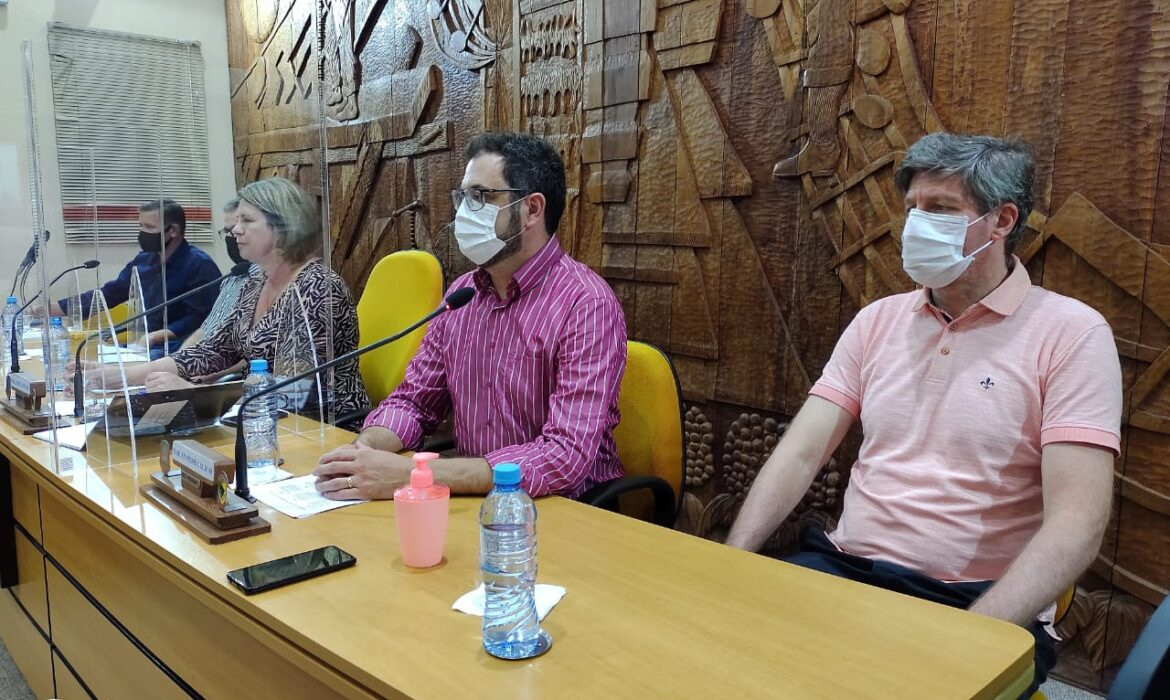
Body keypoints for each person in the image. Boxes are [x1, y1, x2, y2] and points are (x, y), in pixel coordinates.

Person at [725, 133, 1121, 697]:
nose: (916, 224)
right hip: (846, 568)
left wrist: (968, 636)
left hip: (971, 599)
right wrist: (731, 561)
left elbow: (1078, 523)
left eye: (940, 208)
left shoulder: (1071, 334)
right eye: (912, 207)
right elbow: (802, 452)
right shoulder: (877, 321)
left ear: (1002, 220)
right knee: (719, 656)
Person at [313, 132, 627, 501]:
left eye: (481, 197)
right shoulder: (463, 296)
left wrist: (413, 474)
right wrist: (365, 451)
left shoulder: (586, 304)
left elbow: (563, 457)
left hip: (564, 507)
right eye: (463, 197)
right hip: (475, 498)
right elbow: (414, 402)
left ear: (532, 209)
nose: (463, 213)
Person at [98, 178, 369, 420]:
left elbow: (293, 392)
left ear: (284, 225)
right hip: (257, 419)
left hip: (324, 427)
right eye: (236, 221)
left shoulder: (316, 287)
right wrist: (121, 376)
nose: (235, 230)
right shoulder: (256, 280)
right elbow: (214, 350)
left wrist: (195, 394)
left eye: (247, 221)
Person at [49, 198, 221, 358]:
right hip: (143, 345)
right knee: (87, 359)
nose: (142, 233)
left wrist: (155, 336)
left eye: (149, 227)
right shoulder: (143, 260)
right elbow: (110, 294)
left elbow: (203, 319)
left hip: (182, 348)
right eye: (141, 226)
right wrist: (53, 309)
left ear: (173, 231)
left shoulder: (200, 264)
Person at [180, 199, 263, 352]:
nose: (234, 234)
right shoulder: (231, 279)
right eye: (228, 231)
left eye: (236, 228)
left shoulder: (266, 280)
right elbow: (206, 329)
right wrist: (178, 357)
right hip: (200, 359)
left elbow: (243, 352)